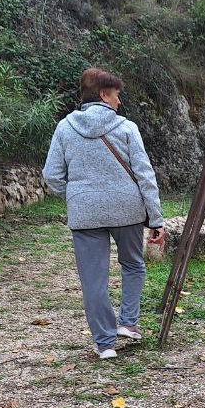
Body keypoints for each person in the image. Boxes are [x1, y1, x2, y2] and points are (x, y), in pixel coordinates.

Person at [42, 68, 165, 360]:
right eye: (116, 95)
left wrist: (77, 194)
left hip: (85, 214)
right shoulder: (126, 128)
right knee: (133, 265)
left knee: (93, 280)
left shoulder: (65, 128)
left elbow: (51, 175)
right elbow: (145, 175)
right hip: (127, 210)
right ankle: (128, 322)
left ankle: (105, 344)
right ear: (103, 95)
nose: (119, 102)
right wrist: (156, 218)